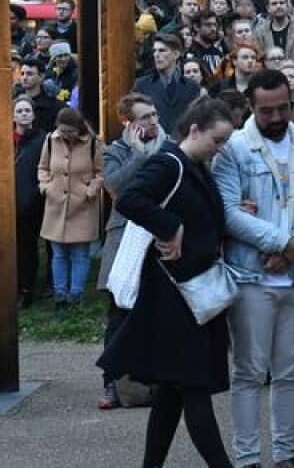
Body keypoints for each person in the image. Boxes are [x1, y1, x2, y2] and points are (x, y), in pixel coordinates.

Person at [97, 98, 237, 468]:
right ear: (195, 130)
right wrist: (168, 225)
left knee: (172, 393)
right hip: (176, 295)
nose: (220, 148)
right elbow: (129, 200)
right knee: (192, 388)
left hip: (186, 293)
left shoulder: (193, 166)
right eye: (218, 139)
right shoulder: (170, 162)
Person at [212, 69, 294, 468]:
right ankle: (247, 458)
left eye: (283, 107)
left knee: (290, 371)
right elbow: (227, 212)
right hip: (250, 277)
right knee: (248, 372)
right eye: (267, 111)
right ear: (250, 107)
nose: (277, 116)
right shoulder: (231, 150)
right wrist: (283, 243)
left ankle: (285, 454)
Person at [95, 93, 165, 411]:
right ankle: (112, 381)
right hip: (124, 237)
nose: (153, 121)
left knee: (157, 312)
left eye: (154, 114)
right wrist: (138, 156)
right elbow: (115, 188)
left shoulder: (170, 145)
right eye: (145, 117)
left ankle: (153, 381)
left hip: (158, 236)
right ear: (129, 124)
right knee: (119, 315)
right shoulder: (115, 150)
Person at [37, 108, 103, 309]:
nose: (66, 135)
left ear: (79, 128)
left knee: (80, 254)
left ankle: (76, 295)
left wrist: (90, 190)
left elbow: (101, 172)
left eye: (70, 131)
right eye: (62, 131)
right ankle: (60, 295)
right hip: (55, 205)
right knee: (58, 254)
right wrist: (45, 187)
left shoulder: (94, 143)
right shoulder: (50, 140)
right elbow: (43, 167)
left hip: (82, 206)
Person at [12, 96, 46, 308]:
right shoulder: (5, 138)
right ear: (13, 115)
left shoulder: (42, 140)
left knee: (27, 248)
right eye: (20, 111)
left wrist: (35, 193)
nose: (24, 114)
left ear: (33, 114)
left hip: (30, 203)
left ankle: (27, 289)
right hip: (6, 203)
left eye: (27, 110)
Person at [133, 33, 200, 134]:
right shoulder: (141, 85)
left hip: (182, 145)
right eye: (154, 51)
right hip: (152, 144)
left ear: (176, 54)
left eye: (162, 50)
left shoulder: (192, 87)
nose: (156, 55)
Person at [255, 0, 294, 74]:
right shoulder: (260, 32)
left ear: (287, 6)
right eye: (274, 4)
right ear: (268, 8)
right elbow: (259, 59)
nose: (278, 6)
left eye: (282, 3)